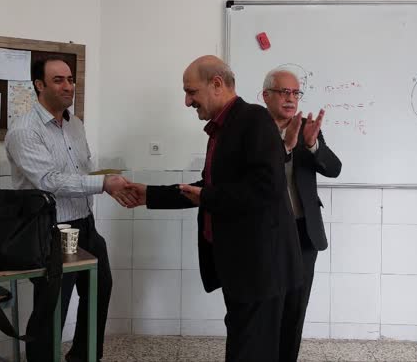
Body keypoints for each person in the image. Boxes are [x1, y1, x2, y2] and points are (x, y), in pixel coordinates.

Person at [121, 55, 303, 362]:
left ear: (217, 84)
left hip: (261, 269)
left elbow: (265, 188)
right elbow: (206, 187)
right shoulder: (223, 128)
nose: (187, 101)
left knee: (250, 352)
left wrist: (207, 197)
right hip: (242, 268)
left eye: (191, 91)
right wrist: (149, 195)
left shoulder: (254, 119)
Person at [5, 57, 127, 362]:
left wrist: (107, 180)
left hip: (85, 224)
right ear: (39, 85)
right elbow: (49, 180)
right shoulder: (24, 130)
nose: (68, 86)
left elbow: (80, 171)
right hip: (51, 231)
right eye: (58, 80)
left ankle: (85, 357)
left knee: (99, 290)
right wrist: (102, 184)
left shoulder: (75, 125)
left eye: (70, 79)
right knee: (53, 306)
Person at [261, 69, 342, 361]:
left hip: (303, 232)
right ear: (266, 95)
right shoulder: (255, 129)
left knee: (295, 309)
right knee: (266, 308)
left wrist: (312, 145)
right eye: (284, 92)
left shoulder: (308, 127)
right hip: (266, 232)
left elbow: (334, 169)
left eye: (295, 93)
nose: (290, 98)